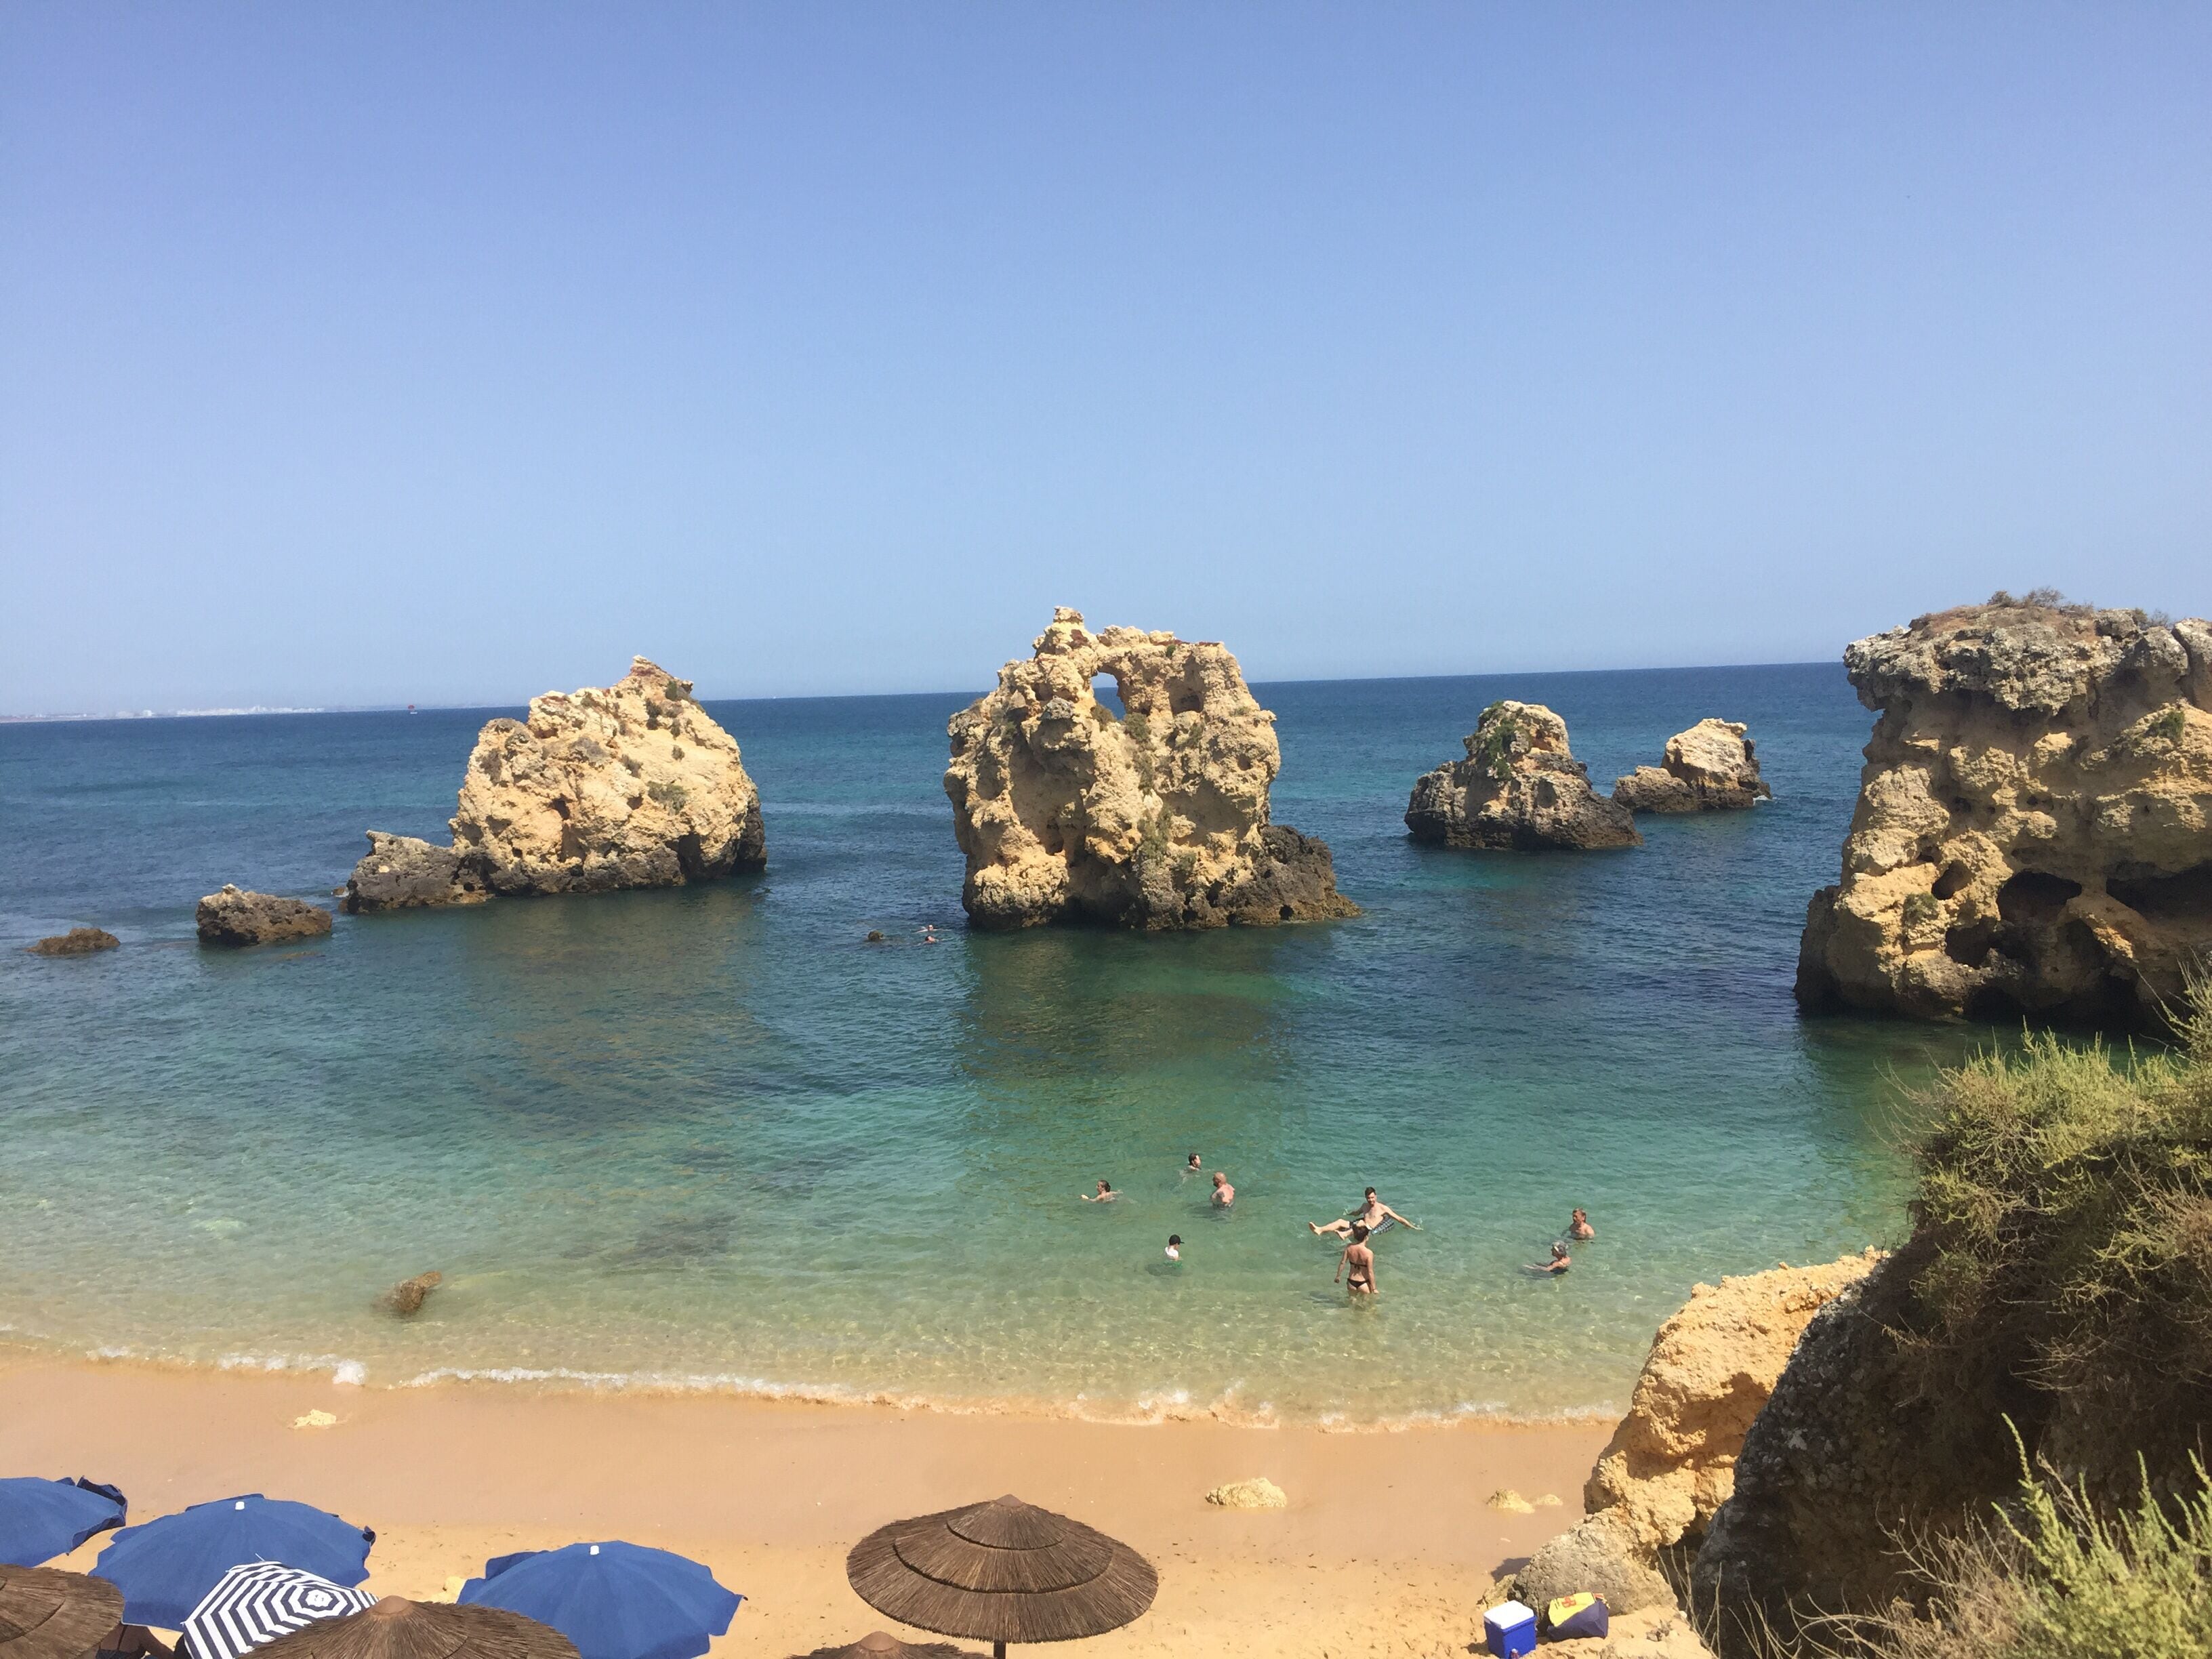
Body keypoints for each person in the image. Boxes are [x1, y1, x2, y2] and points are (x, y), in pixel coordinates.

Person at [1309, 1188, 1418, 1237]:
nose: (1371, 1200)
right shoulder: (1364, 1206)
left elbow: (1398, 1218)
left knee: (1360, 1223)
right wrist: (1349, 1214)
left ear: (1376, 1196)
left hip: (1370, 1228)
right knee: (1340, 1221)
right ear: (1366, 1198)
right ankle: (1320, 1230)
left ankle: (1344, 1234)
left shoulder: (1382, 1208)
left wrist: (1412, 1227)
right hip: (1362, 1224)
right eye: (1369, 1198)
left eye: (1372, 1198)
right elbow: (1357, 1213)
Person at [1334, 1223, 1377, 1295]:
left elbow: (1342, 1263)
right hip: (1364, 1282)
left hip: (1351, 1282)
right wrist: (1374, 1288)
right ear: (1366, 1237)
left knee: (1352, 1302)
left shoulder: (1349, 1247)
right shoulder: (1369, 1253)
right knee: (1368, 1305)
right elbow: (1370, 1272)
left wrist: (1338, 1276)